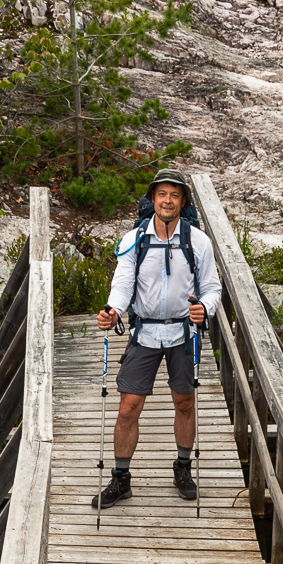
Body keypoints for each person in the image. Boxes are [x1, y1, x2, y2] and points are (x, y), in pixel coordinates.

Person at [92, 168, 222, 508]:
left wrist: (204, 309)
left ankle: (183, 468)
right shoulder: (132, 239)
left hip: (183, 332)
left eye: (174, 195)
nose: (167, 200)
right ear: (152, 199)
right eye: (161, 194)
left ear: (182, 202)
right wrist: (114, 310)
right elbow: (122, 283)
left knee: (184, 402)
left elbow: (211, 287)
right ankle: (121, 480)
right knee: (127, 407)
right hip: (144, 331)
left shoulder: (199, 242)